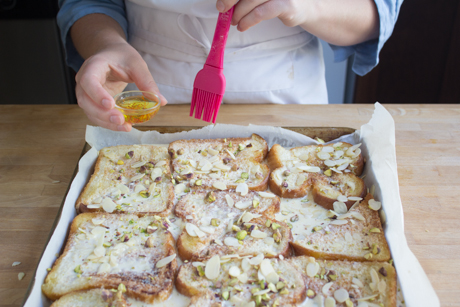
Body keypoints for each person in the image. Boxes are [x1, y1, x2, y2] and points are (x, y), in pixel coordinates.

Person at [57, 0, 403, 132]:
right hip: (149, 94)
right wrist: (107, 45)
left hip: (290, 104)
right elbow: (87, 1)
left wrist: (310, 6)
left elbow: (378, 12)